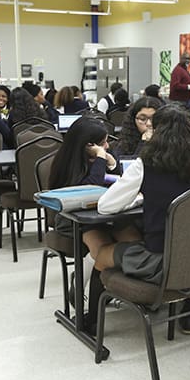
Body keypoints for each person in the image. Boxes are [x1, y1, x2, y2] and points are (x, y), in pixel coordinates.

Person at [95, 105, 190, 335]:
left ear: (156, 131)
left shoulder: (146, 164)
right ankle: (189, 310)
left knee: (102, 253)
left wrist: (137, 199)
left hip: (161, 261)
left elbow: (105, 206)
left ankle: (91, 319)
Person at [48, 117, 125, 332]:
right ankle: (85, 297)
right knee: (103, 248)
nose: (107, 147)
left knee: (129, 235)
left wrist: (111, 162)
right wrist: (101, 159)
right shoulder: (67, 164)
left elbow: (119, 184)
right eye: (102, 143)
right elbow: (89, 190)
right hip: (72, 221)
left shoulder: (99, 158)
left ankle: (90, 283)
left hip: (101, 217)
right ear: (86, 146)